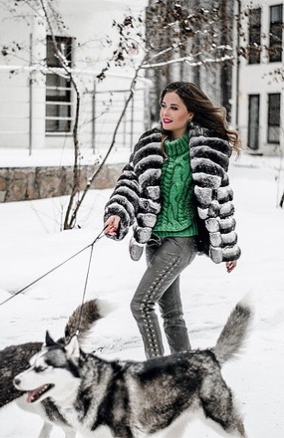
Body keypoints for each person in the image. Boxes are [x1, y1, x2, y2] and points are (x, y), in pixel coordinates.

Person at [103, 81, 241, 359]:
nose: (166, 112)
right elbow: (130, 182)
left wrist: (228, 246)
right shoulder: (148, 145)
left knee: (141, 305)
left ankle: (158, 375)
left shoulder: (208, 150)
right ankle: (189, 374)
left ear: (190, 113)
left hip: (183, 239)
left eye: (174, 107)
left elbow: (221, 198)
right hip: (154, 239)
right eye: (164, 105)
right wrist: (117, 213)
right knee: (172, 315)